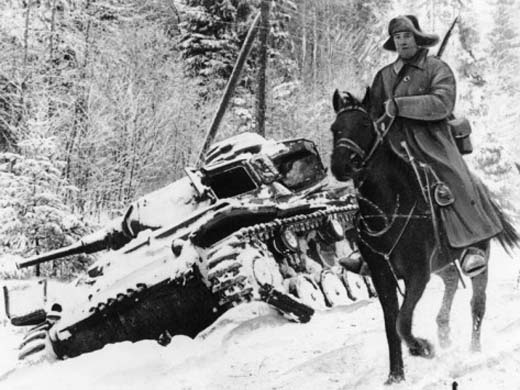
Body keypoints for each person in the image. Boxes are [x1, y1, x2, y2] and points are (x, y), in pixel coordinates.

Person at [368, 15, 503, 274]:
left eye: (407, 36)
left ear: (417, 38)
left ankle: (469, 247)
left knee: (454, 180)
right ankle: (370, 250)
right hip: (394, 143)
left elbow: (442, 104)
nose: (403, 41)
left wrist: (400, 106)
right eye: (397, 37)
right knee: (370, 185)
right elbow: (373, 112)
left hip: (431, 141)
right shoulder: (383, 76)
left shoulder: (437, 68)